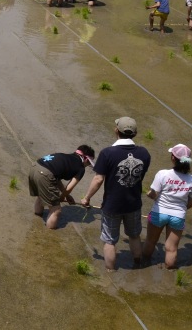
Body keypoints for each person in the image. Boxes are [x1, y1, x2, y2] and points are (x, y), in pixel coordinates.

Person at [81, 116, 152, 271]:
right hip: (134, 203)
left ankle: (110, 271)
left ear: (116, 131)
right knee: (134, 236)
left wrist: (87, 198)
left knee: (110, 241)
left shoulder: (108, 153)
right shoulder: (144, 153)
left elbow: (99, 179)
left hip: (112, 205)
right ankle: (138, 264)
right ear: (135, 133)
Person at [142, 144, 192, 269]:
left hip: (159, 212)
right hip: (178, 216)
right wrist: (180, 209)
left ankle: (144, 265)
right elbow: (191, 202)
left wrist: (148, 194)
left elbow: (153, 194)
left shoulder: (163, 174)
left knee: (150, 241)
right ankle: (170, 270)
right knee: (172, 249)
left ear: (173, 157)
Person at [28, 145, 96, 230]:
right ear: (86, 159)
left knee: (41, 196)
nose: (87, 165)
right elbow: (70, 187)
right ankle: (49, 234)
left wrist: (67, 196)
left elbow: (55, 177)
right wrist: (62, 197)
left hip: (35, 167)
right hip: (45, 174)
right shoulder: (81, 168)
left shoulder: (64, 156)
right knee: (56, 210)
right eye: (89, 163)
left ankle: (37, 217)